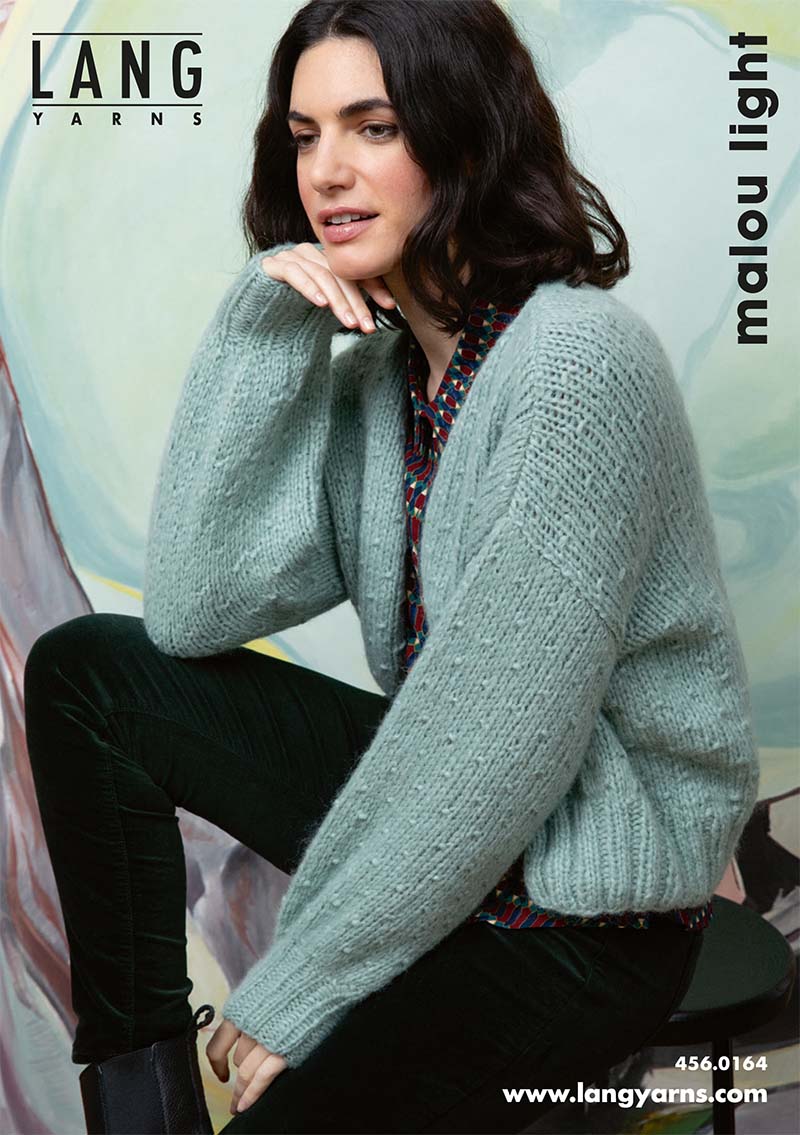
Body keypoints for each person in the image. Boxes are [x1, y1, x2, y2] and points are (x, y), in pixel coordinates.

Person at [23, 1, 760, 1132]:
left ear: (464, 138)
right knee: (92, 673)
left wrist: (300, 982)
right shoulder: (382, 383)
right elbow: (190, 607)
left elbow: (495, 739)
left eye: (373, 127)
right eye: (304, 135)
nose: (327, 170)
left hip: (582, 912)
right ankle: (143, 1108)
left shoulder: (577, 366)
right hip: (458, 820)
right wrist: (259, 327)